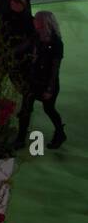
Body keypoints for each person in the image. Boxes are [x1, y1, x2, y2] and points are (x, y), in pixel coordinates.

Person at [21, 11, 66, 149]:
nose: (34, 22)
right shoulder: (36, 36)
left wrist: (49, 89)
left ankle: (60, 133)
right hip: (33, 80)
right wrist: (6, 54)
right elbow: (23, 47)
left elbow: (55, 69)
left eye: (37, 20)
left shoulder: (57, 43)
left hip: (46, 82)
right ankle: (20, 138)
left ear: (43, 23)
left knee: (49, 109)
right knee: (25, 109)